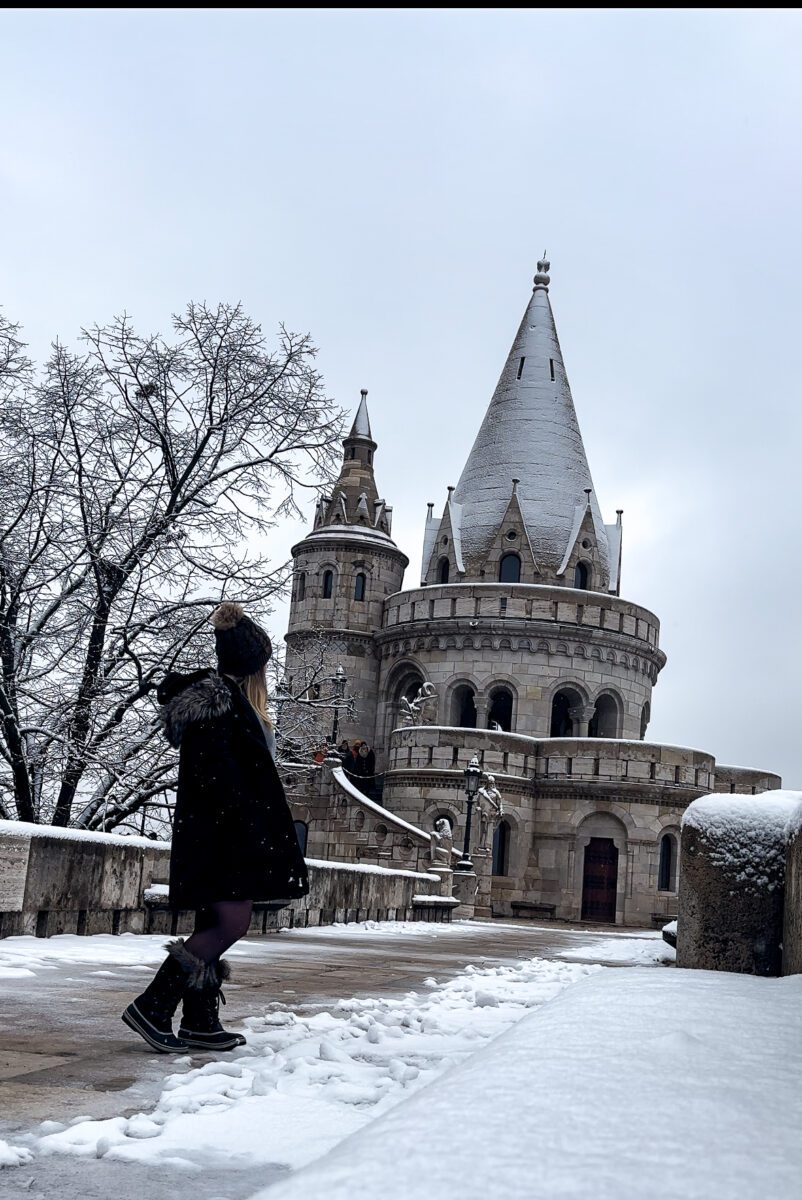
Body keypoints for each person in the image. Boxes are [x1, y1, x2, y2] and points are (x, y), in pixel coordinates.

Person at [122, 602, 309, 1054]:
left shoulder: (232, 706)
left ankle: (200, 1020)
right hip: (224, 838)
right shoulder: (221, 708)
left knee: (215, 921)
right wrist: (250, 829)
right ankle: (153, 1005)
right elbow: (219, 781)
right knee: (231, 923)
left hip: (222, 836)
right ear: (252, 666)